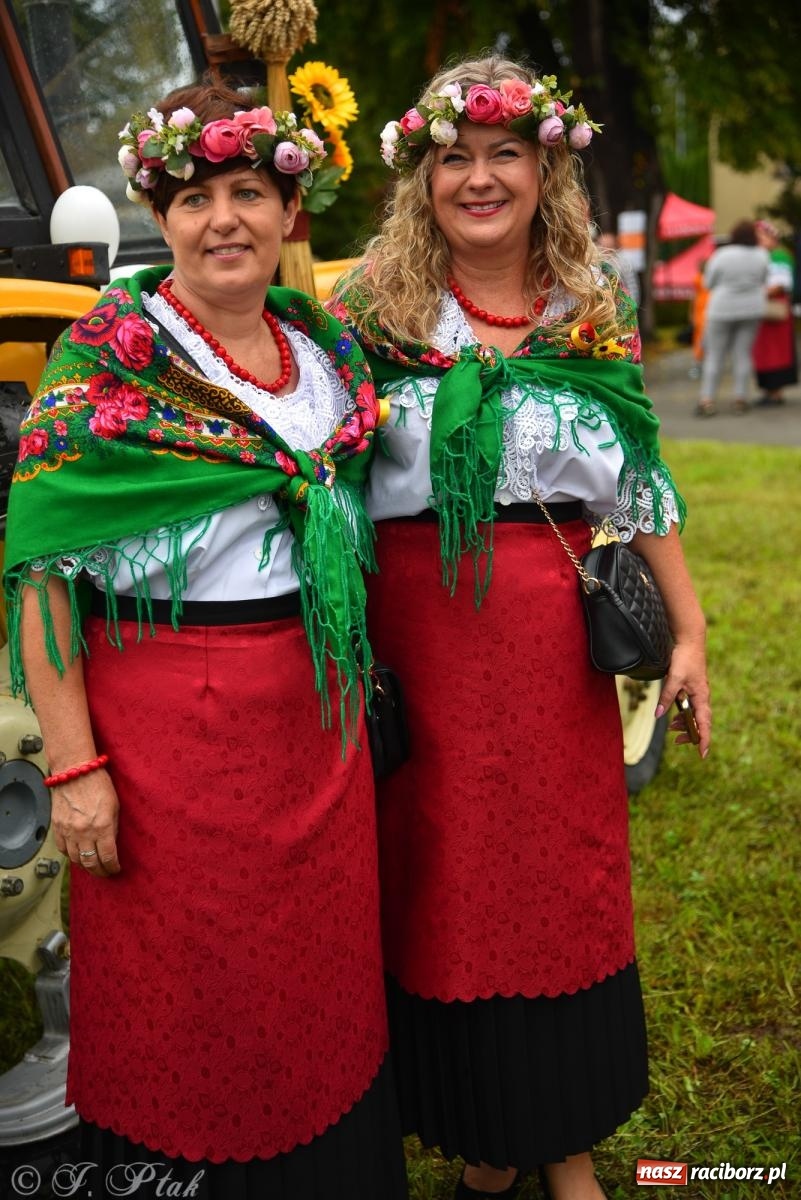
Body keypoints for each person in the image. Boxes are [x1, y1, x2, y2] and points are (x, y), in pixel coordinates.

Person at [3, 78, 408, 1200]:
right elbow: (42, 578)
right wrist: (77, 768)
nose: (222, 219)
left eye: (247, 191)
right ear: (159, 212)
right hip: (166, 740)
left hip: (315, 729)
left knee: (311, 979)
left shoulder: (323, 353)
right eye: (193, 198)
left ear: (290, 210)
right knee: (191, 985)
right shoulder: (107, 360)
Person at [331, 55, 711, 1200]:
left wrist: (688, 633)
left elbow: (637, 478)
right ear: (424, 176)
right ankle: (487, 1145)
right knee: (444, 886)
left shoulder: (587, 311)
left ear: (546, 170)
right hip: (422, 647)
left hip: (550, 653)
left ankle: (570, 1146)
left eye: (506, 155)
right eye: (457, 157)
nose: (481, 177)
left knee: (562, 884)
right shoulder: (369, 315)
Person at [696, 219, 769, 416]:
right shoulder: (762, 255)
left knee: (715, 355)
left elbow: (708, 283)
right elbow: (764, 279)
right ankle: (740, 398)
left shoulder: (722, 255)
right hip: (752, 308)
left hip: (722, 309)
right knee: (743, 354)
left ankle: (707, 400)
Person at [751, 218, 798, 406]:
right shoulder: (762, 255)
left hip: (775, 309)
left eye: (761, 237)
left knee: (776, 352)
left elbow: (781, 285)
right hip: (764, 308)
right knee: (765, 351)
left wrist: (756, 292)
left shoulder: (778, 255)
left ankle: (775, 392)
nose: (758, 241)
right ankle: (769, 390)